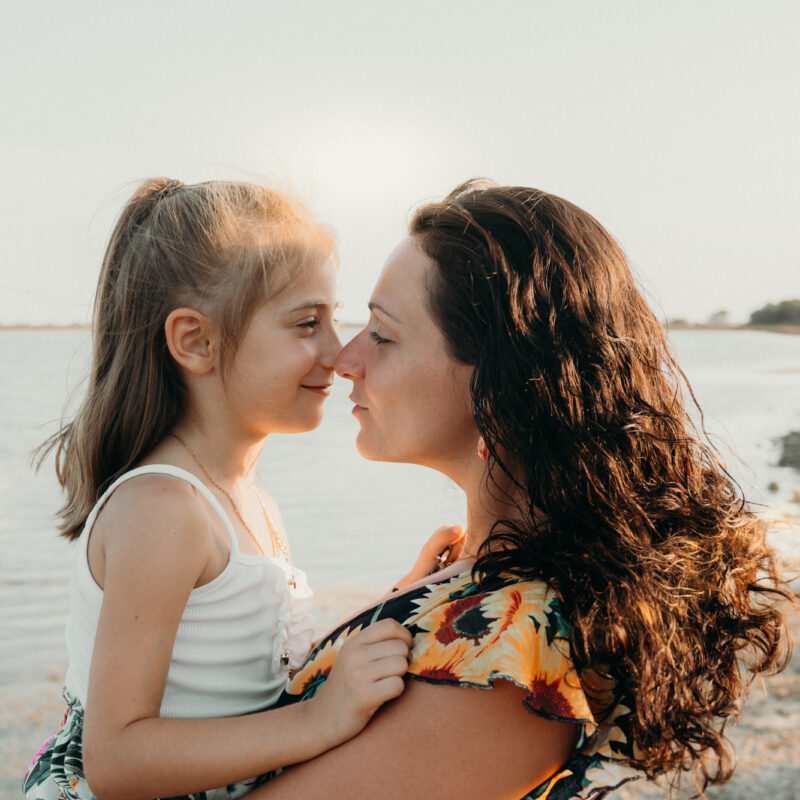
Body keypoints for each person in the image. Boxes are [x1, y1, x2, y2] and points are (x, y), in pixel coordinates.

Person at [247, 180, 792, 799]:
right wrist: (413, 601)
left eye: (383, 334)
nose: (344, 359)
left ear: (499, 390)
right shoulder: (485, 583)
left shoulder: (508, 660)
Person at [22, 178, 461, 800]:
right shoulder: (165, 509)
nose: (338, 354)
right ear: (196, 342)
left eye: (332, 320)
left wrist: (399, 602)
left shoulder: (245, 500)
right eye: (307, 323)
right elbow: (117, 760)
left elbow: (255, 672)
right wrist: (317, 720)